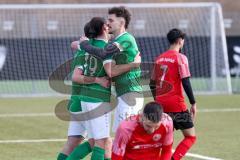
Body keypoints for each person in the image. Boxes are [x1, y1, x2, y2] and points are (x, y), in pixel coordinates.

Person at [67, 17, 140, 160]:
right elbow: (110, 71)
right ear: (104, 29)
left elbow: (74, 44)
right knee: (101, 142)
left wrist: (83, 42)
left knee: (99, 141)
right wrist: (133, 64)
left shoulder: (87, 46)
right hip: (98, 98)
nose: (109, 26)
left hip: (84, 99)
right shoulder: (106, 48)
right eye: (107, 25)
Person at [79, 6, 144, 132]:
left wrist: (84, 44)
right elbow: (111, 70)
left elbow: (103, 53)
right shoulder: (115, 41)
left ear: (121, 22)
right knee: (119, 138)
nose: (107, 23)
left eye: (111, 20)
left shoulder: (127, 39)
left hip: (131, 94)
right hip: (123, 94)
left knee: (125, 138)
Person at [149, 28, 197, 160]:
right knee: (190, 137)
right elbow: (186, 81)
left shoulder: (159, 59)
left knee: (163, 139)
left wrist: (158, 101)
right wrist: (193, 103)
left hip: (161, 104)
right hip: (176, 104)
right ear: (180, 41)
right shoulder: (180, 57)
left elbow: (151, 84)